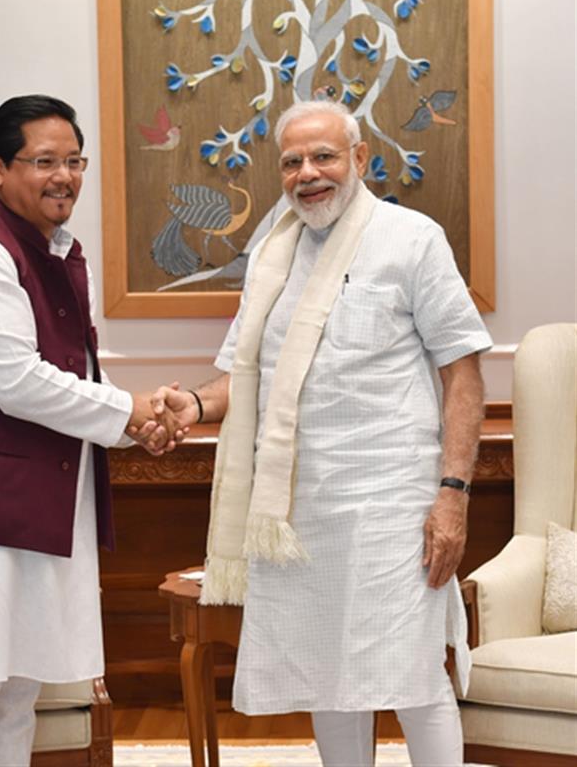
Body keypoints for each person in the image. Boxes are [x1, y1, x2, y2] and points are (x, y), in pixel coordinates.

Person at [144, 100, 492, 766]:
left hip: (394, 505)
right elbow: (246, 377)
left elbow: (463, 373)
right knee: (328, 674)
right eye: (292, 162)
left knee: (413, 672)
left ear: (359, 158)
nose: (308, 173)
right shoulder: (271, 255)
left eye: (324, 156)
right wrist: (193, 404)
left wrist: (453, 495)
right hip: (299, 511)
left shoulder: (412, 239)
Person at [0, 94, 182, 766]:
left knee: (17, 698)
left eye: (75, 161)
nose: (64, 177)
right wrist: (129, 413)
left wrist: (135, 425)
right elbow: (15, 380)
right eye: (44, 161)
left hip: (36, 513)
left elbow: (71, 369)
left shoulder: (58, 250)